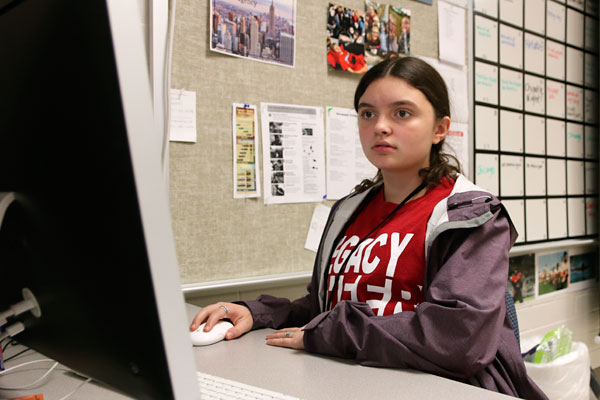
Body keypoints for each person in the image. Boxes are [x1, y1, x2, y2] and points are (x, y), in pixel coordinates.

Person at [190, 56, 547, 399]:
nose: (380, 126)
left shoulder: (469, 214)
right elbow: (325, 308)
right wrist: (259, 313)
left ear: (440, 129)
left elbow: (456, 338)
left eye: (402, 113)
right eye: (367, 113)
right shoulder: (348, 210)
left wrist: (332, 334)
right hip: (349, 380)